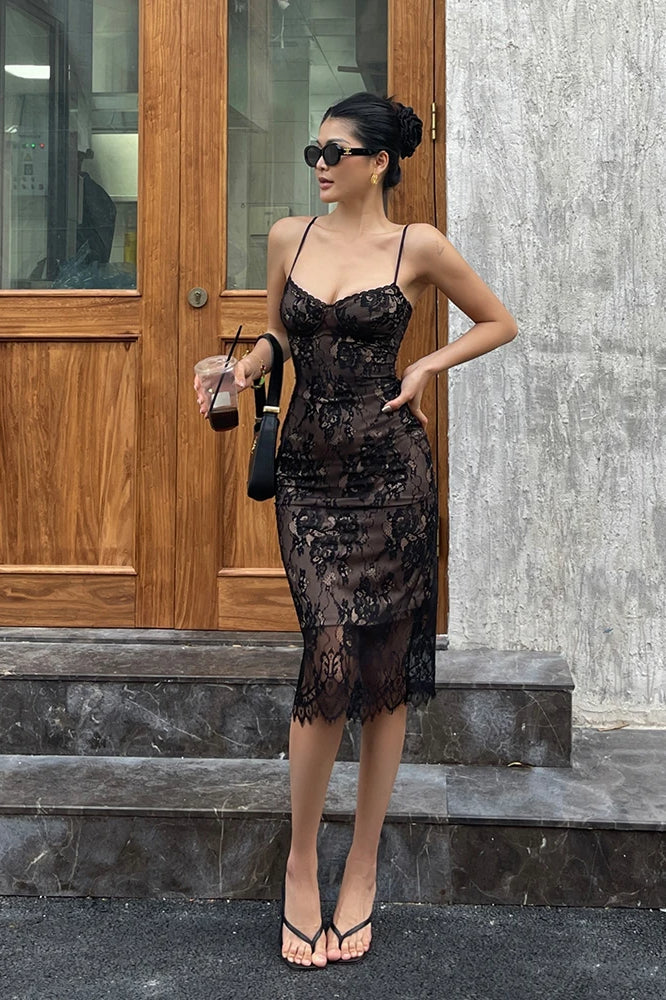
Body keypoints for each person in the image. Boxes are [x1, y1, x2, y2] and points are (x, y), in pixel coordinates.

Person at [195, 91, 517, 969]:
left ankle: (364, 865)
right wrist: (241, 369)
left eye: (335, 152)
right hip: (309, 478)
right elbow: (278, 338)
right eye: (315, 151)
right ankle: (300, 863)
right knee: (330, 654)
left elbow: (499, 321)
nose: (320, 165)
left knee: (384, 673)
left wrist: (427, 364)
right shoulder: (288, 238)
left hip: (392, 475)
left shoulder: (419, 246)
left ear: (379, 162)